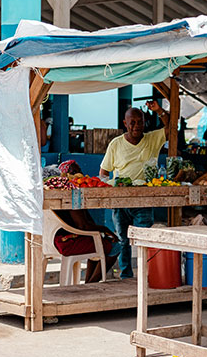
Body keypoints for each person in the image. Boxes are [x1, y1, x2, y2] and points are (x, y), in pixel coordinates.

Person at [99, 105, 175, 279]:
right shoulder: (116, 144)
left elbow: (172, 128)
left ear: (144, 123)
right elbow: (103, 172)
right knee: (123, 241)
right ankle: (126, 275)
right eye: (132, 122)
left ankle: (146, 275)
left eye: (140, 122)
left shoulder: (152, 139)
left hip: (144, 200)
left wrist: (160, 111)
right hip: (120, 201)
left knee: (144, 239)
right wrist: (108, 187)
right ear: (125, 123)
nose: (136, 126)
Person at [52, 209, 120, 283]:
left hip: (54, 242)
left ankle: (89, 283)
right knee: (115, 247)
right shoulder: (73, 202)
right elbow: (83, 226)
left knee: (96, 242)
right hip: (68, 243)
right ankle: (92, 283)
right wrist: (105, 229)